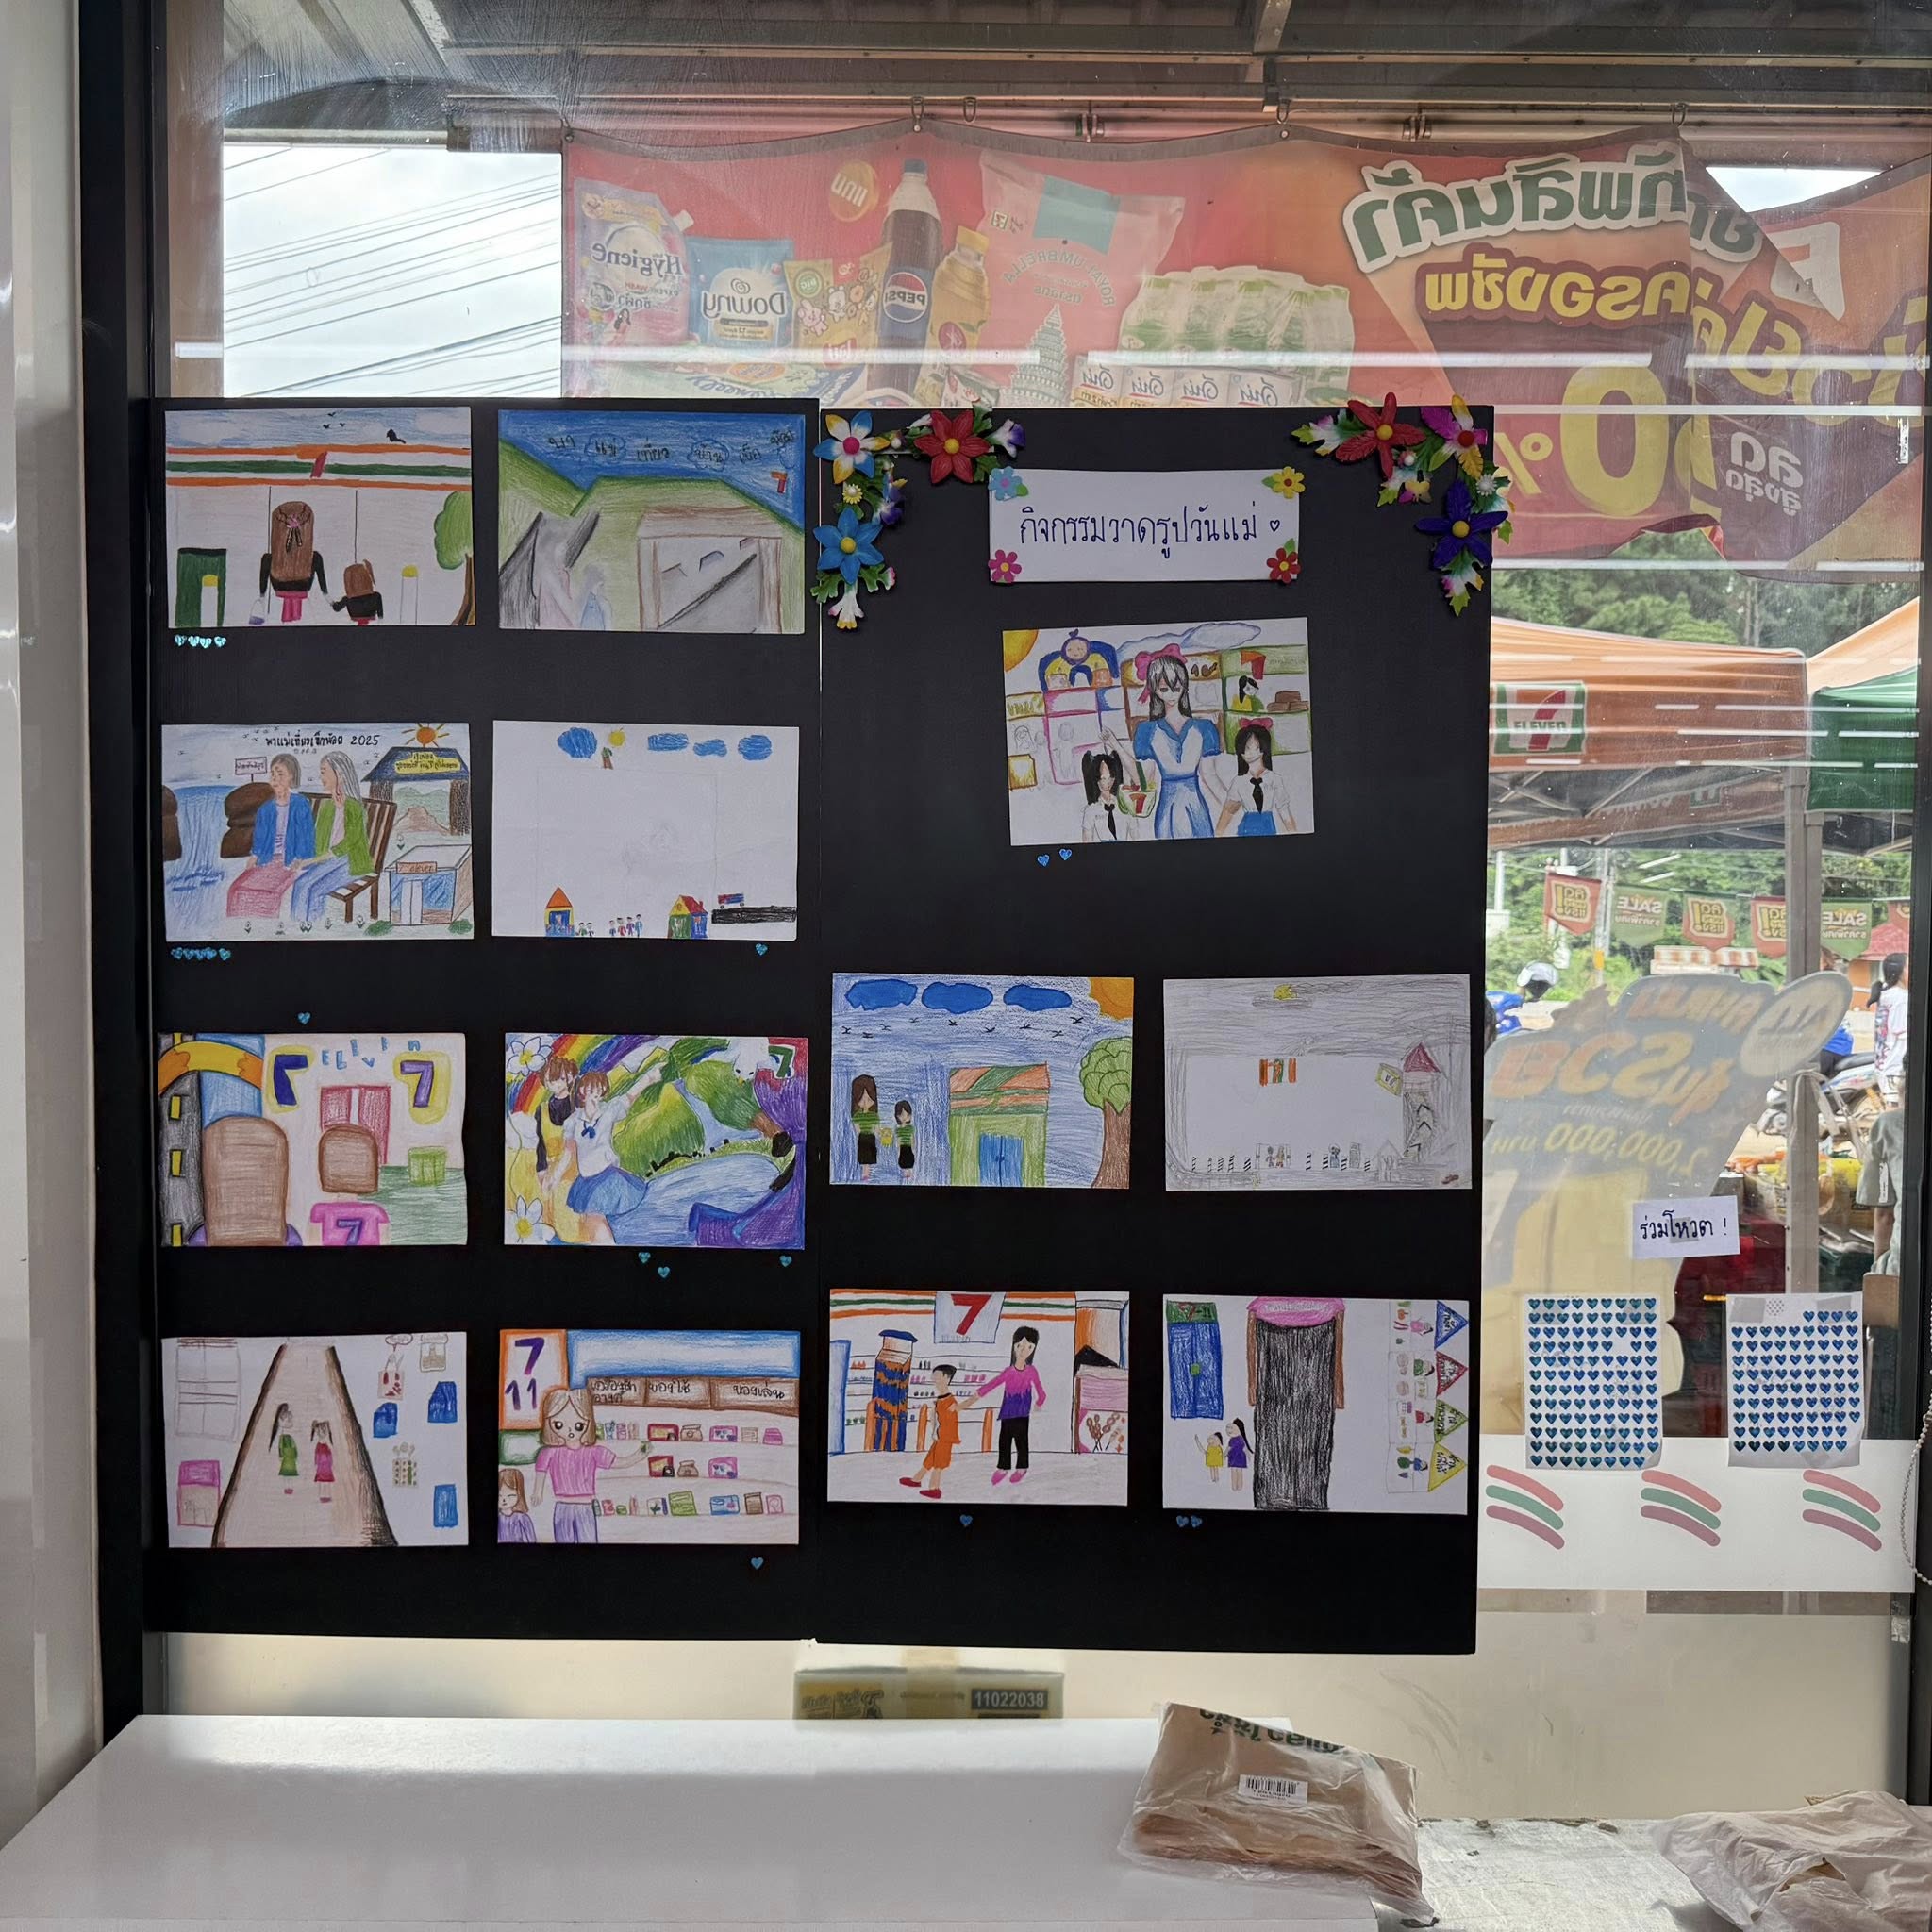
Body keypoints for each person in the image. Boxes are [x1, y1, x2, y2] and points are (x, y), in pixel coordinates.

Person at [553, 1048, 664, 1244]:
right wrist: (555, 1176)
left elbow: (630, 1095)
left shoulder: (609, 1111)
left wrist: (649, 1078)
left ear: (602, 1092)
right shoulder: (573, 1121)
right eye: (590, 1090)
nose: (595, 1095)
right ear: (582, 1092)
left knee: (597, 1219)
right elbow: (568, 1153)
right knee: (593, 1221)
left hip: (606, 1176)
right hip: (586, 1180)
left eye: (598, 1091)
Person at [528, 1385, 643, 1544]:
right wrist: (537, 1492)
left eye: (578, 1425)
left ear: (588, 1423)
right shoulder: (549, 1453)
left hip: (585, 1508)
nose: (570, 1431)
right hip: (562, 1507)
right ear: (550, 1424)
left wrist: (639, 1455)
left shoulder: (594, 1452)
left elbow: (621, 1462)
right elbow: (540, 1471)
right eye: (559, 1425)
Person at [1132, 646, 1224, 840]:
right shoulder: (1146, 731)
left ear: (1184, 687)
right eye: (1164, 689)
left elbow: (1210, 775)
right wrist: (1116, 748)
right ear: (1154, 690)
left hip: (1196, 807)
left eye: (1177, 688)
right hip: (1167, 808)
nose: (1171, 695)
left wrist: (1231, 804)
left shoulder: (1205, 728)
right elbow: (1144, 780)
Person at [291, 749, 374, 922]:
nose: (321, 777)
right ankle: (298, 927)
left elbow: (348, 844)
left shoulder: (354, 808)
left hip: (351, 862)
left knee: (315, 890)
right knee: (301, 884)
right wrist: (305, 859)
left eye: (323, 771)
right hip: (331, 860)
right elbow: (319, 841)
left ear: (340, 775)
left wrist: (309, 862)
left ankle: (312, 927)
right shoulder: (327, 807)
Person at [959, 1326, 1045, 1488]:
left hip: (1022, 1414)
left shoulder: (1031, 1371)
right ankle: (1003, 1468)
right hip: (1007, 1413)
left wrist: (1039, 1403)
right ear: (1014, 1347)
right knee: (1004, 1441)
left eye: (1029, 1347)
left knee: (1021, 1442)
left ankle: (1022, 1468)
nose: (1023, 1350)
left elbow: (1042, 1392)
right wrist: (969, 1402)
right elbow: (990, 1386)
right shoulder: (1009, 1372)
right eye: (1019, 1346)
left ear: (1033, 1349)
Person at [1215, 724, 1291, 837]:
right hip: (1246, 830)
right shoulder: (1238, 782)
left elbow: (1285, 813)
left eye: (1251, 747)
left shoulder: (1275, 779)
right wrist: (1218, 835)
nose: (1247, 753)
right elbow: (1228, 811)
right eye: (1245, 749)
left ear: (1263, 747)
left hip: (1268, 829)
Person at [247, 753, 317, 875]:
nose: (275, 778)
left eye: (280, 774)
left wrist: (299, 860)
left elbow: (306, 838)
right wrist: (254, 857)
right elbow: (259, 840)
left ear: (291, 776)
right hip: (267, 860)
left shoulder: (301, 804)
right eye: (272, 774)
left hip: (292, 861)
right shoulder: (265, 809)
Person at [259, 500, 327, 622]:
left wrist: (262, 596)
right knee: (315, 557)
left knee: (267, 559)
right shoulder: (314, 557)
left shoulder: (270, 558)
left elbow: (264, 578)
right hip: (303, 586)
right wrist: (327, 597)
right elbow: (322, 579)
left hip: (279, 586)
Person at [900, 1363, 959, 1500]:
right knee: (930, 1459)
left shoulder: (950, 1401)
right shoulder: (941, 1398)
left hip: (945, 1437)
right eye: (934, 1377)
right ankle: (916, 1479)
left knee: (938, 1463)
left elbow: (948, 1422)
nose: (934, 1380)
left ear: (947, 1378)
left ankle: (934, 1489)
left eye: (937, 1376)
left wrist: (939, 1433)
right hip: (939, 1436)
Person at [1873, 952, 1908, 1107]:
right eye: (1909, 966)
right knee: (1895, 1113)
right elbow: (1904, 1032)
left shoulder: (1886, 995)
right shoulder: (1901, 998)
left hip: (1884, 1066)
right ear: (1900, 971)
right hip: (1897, 1067)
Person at [1080, 746, 1137, 844]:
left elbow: (1137, 837)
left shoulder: (1126, 805)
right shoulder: (1091, 810)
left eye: (1111, 777)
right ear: (1097, 780)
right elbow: (1087, 843)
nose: (1108, 782)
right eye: (1103, 778)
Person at [850, 1074, 881, 1181]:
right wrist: (860, 1134)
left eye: (869, 1099)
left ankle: (867, 1172)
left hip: (870, 1137)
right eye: (862, 1099)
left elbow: (877, 1127)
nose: (866, 1102)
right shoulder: (858, 1116)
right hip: (863, 1137)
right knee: (863, 1155)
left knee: (870, 1154)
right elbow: (856, 1127)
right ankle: (865, 1172)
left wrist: (877, 1134)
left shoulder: (874, 1115)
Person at [497, 1468, 537, 1543]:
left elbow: (531, 1539)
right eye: (500, 1495)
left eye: (510, 1495)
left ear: (519, 1495)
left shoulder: (522, 1518)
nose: (504, 1499)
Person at [270, 1404, 299, 1489]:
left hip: (289, 1460)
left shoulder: (288, 1436)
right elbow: (280, 1449)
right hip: (285, 1459)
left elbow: (293, 1448)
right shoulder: (281, 1436)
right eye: (288, 1419)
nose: (291, 1420)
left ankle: (288, 1487)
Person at [1225, 1417, 1251, 1494]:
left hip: (1239, 1458)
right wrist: (1225, 1454)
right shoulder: (1232, 1439)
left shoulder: (1240, 1439)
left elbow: (1245, 1448)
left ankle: (1239, 1486)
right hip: (1233, 1458)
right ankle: (1235, 1486)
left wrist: (1248, 1455)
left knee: (1238, 1472)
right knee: (1234, 1472)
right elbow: (1228, 1448)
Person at [892, 1100, 916, 1178]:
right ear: (897, 1116)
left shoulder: (910, 1128)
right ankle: (905, 1172)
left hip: (909, 1146)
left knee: (909, 1158)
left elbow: (912, 1137)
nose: (905, 1117)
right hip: (902, 1146)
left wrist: (913, 1145)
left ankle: (909, 1171)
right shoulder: (898, 1129)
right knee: (903, 1158)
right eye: (902, 1115)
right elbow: (898, 1138)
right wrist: (898, 1146)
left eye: (907, 1115)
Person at [310, 1420, 335, 1494]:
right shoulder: (318, 1445)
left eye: (324, 1429)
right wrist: (316, 1464)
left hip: (327, 1466)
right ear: (317, 1431)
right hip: (321, 1466)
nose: (323, 1431)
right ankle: (321, 1495)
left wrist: (330, 1463)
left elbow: (330, 1455)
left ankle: (327, 1495)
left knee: (327, 1482)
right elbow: (317, 1456)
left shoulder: (327, 1445)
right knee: (321, 1481)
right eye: (321, 1429)